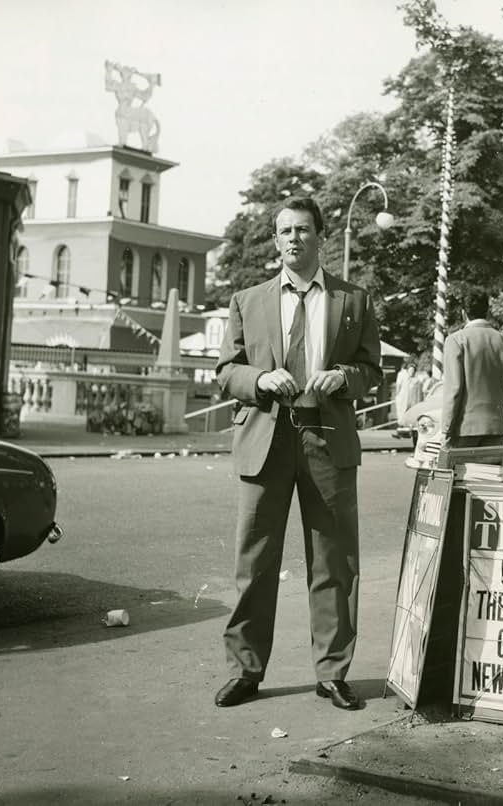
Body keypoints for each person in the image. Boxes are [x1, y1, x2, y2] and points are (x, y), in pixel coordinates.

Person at [214, 196, 382, 711]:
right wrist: (260, 378)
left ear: (320, 237)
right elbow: (226, 372)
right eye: (284, 231)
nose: (293, 239)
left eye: (303, 230)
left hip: (326, 438)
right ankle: (246, 670)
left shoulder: (354, 300)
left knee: (333, 563)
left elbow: (372, 370)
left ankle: (332, 673)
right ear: (275, 240)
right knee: (255, 563)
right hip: (266, 438)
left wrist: (345, 377)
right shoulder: (248, 299)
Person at [439, 293, 503, 449]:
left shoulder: (455, 340)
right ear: (487, 312)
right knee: (491, 473)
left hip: (464, 427)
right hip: (496, 426)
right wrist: (497, 403)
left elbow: (454, 389)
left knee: (457, 472)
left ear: (463, 313)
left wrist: (445, 429)